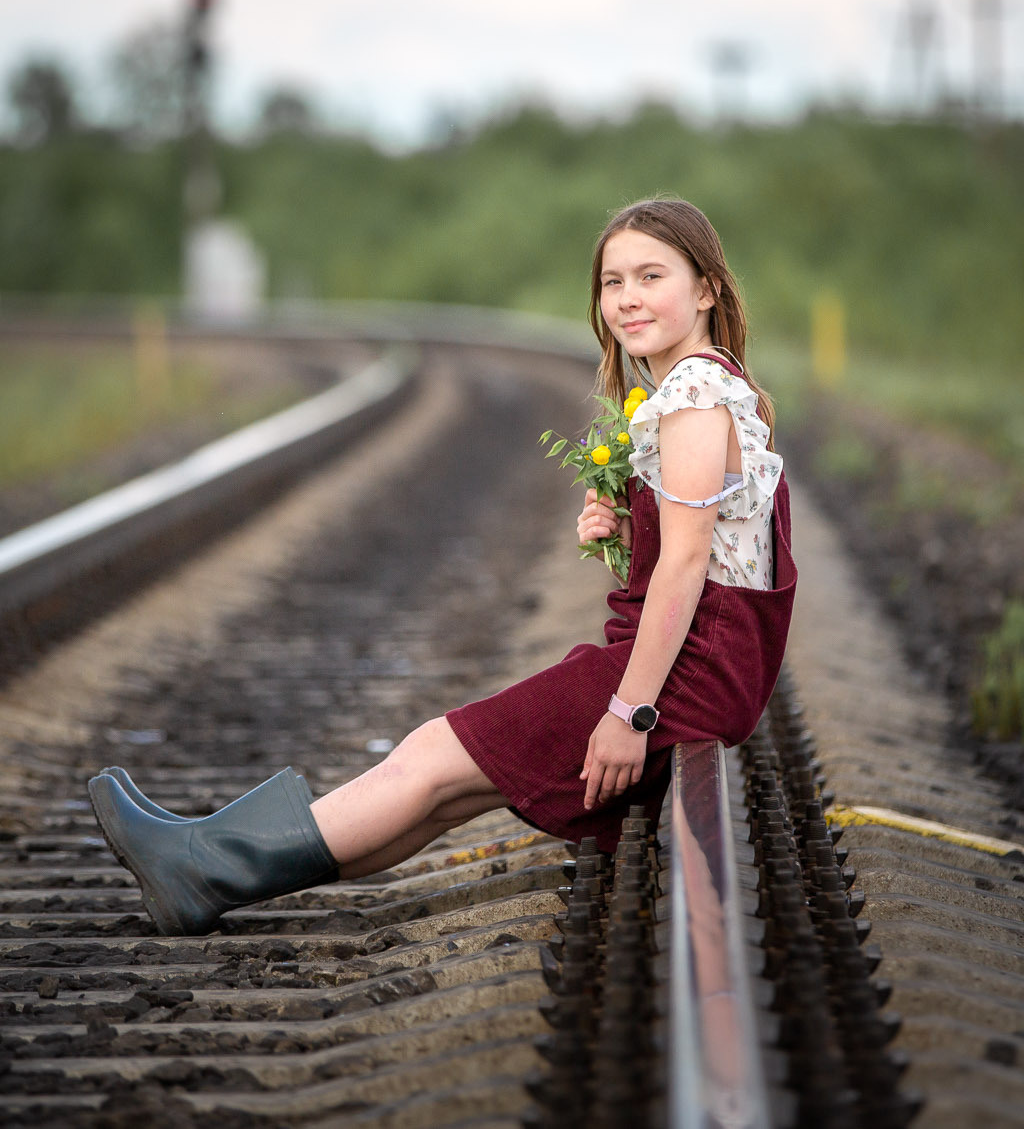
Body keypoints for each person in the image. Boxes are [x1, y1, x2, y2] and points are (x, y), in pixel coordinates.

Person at [88, 197, 796, 936]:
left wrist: (630, 711)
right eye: (612, 282)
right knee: (445, 790)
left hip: (686, 674)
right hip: (710, 666)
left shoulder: (691, 393)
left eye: (651, 276)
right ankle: (203, 876)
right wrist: (626, 524)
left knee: (430, 755)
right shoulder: (707, 384)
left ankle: (200, 858)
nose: (627, 299)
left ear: (707, 287)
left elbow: (685, 567)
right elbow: (717, 547)